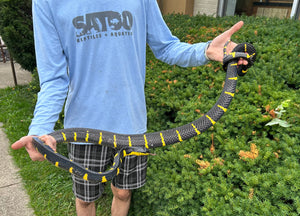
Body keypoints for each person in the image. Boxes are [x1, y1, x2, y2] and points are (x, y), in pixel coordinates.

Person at [11, 0, 248, 215]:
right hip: (82, 128)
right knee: (84, 199)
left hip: (132, 125)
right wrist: (40, 128)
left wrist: (205, 50)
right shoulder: (46, 2)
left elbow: (165, 47)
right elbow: (54, 79)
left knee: (123, 192)